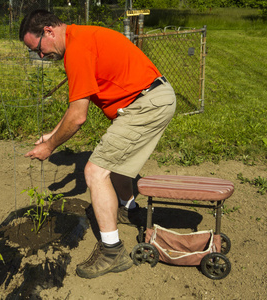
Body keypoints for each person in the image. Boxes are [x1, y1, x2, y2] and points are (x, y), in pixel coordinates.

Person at [19, 10, 176, 279]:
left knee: (94, 171)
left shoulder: (77, 50)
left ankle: (112, 251)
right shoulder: (81, 37)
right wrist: (53, 133)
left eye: (38, 49)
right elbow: (79, 105)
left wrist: (49, 147)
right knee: (113, 162)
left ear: (48, 31)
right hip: (149, 99)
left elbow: (78, 117)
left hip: (145, 105)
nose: (41, 56)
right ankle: (129, 210)